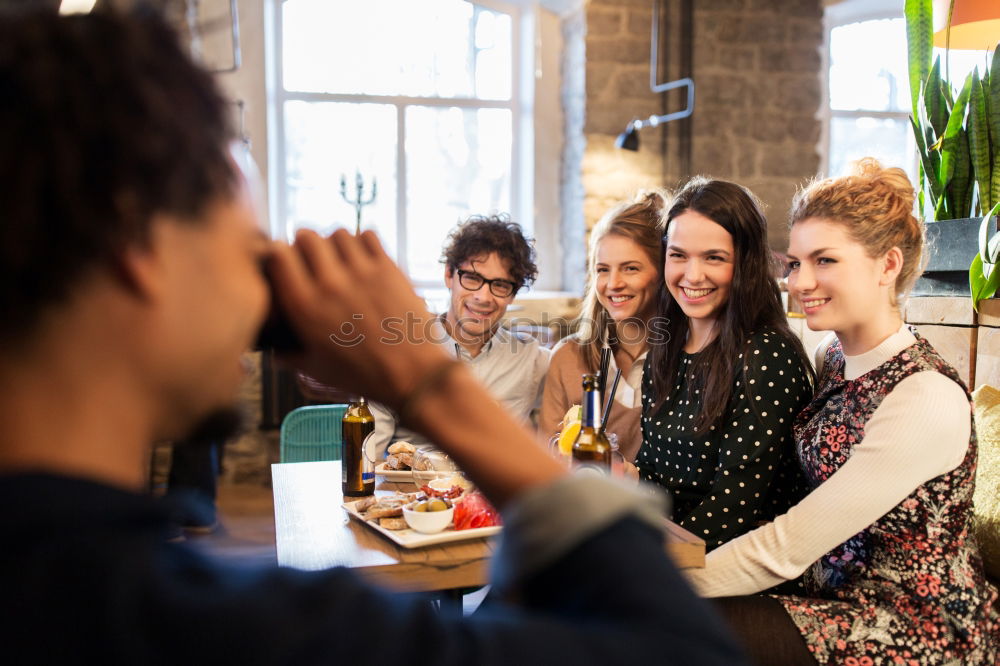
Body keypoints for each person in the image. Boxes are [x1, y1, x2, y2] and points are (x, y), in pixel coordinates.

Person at [0, 9, 748, 665]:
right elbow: (679, 647)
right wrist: (426, 380)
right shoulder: (229, 629)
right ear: (144, 257)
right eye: (247, 252)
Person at [688, 160, 999, 665]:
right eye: (794, 263)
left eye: (825, 261)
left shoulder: (924, 395)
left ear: (888, 265)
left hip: (918, 626)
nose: (799, 280)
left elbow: (786, 545)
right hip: (831, 598)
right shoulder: (831, 358)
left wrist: (652, 583)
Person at [636, 178, 814, 552]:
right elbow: (651, 477)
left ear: (745, 263)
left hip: (733, 562)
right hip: (667, 547)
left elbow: (733, 508)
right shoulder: (665, 346)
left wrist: (642, 561)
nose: (692, 275)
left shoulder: (767, 355)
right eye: (679, 255)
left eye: (713, 258)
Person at [369, 215, 551, 459]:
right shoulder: (401, 352)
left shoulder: (532, 360)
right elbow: (366, 457)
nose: (484, 297)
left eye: (500, 285)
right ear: (449, 275)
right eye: (472, 278)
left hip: (496, 494)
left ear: (512, 294)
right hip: (411, 492)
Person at [539, 191, 667, 462]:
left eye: (630, 268)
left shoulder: (691, 358)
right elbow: (547, 464)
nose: (613, 283)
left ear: (663, 272)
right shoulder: (567, 359)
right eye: (602, 269)